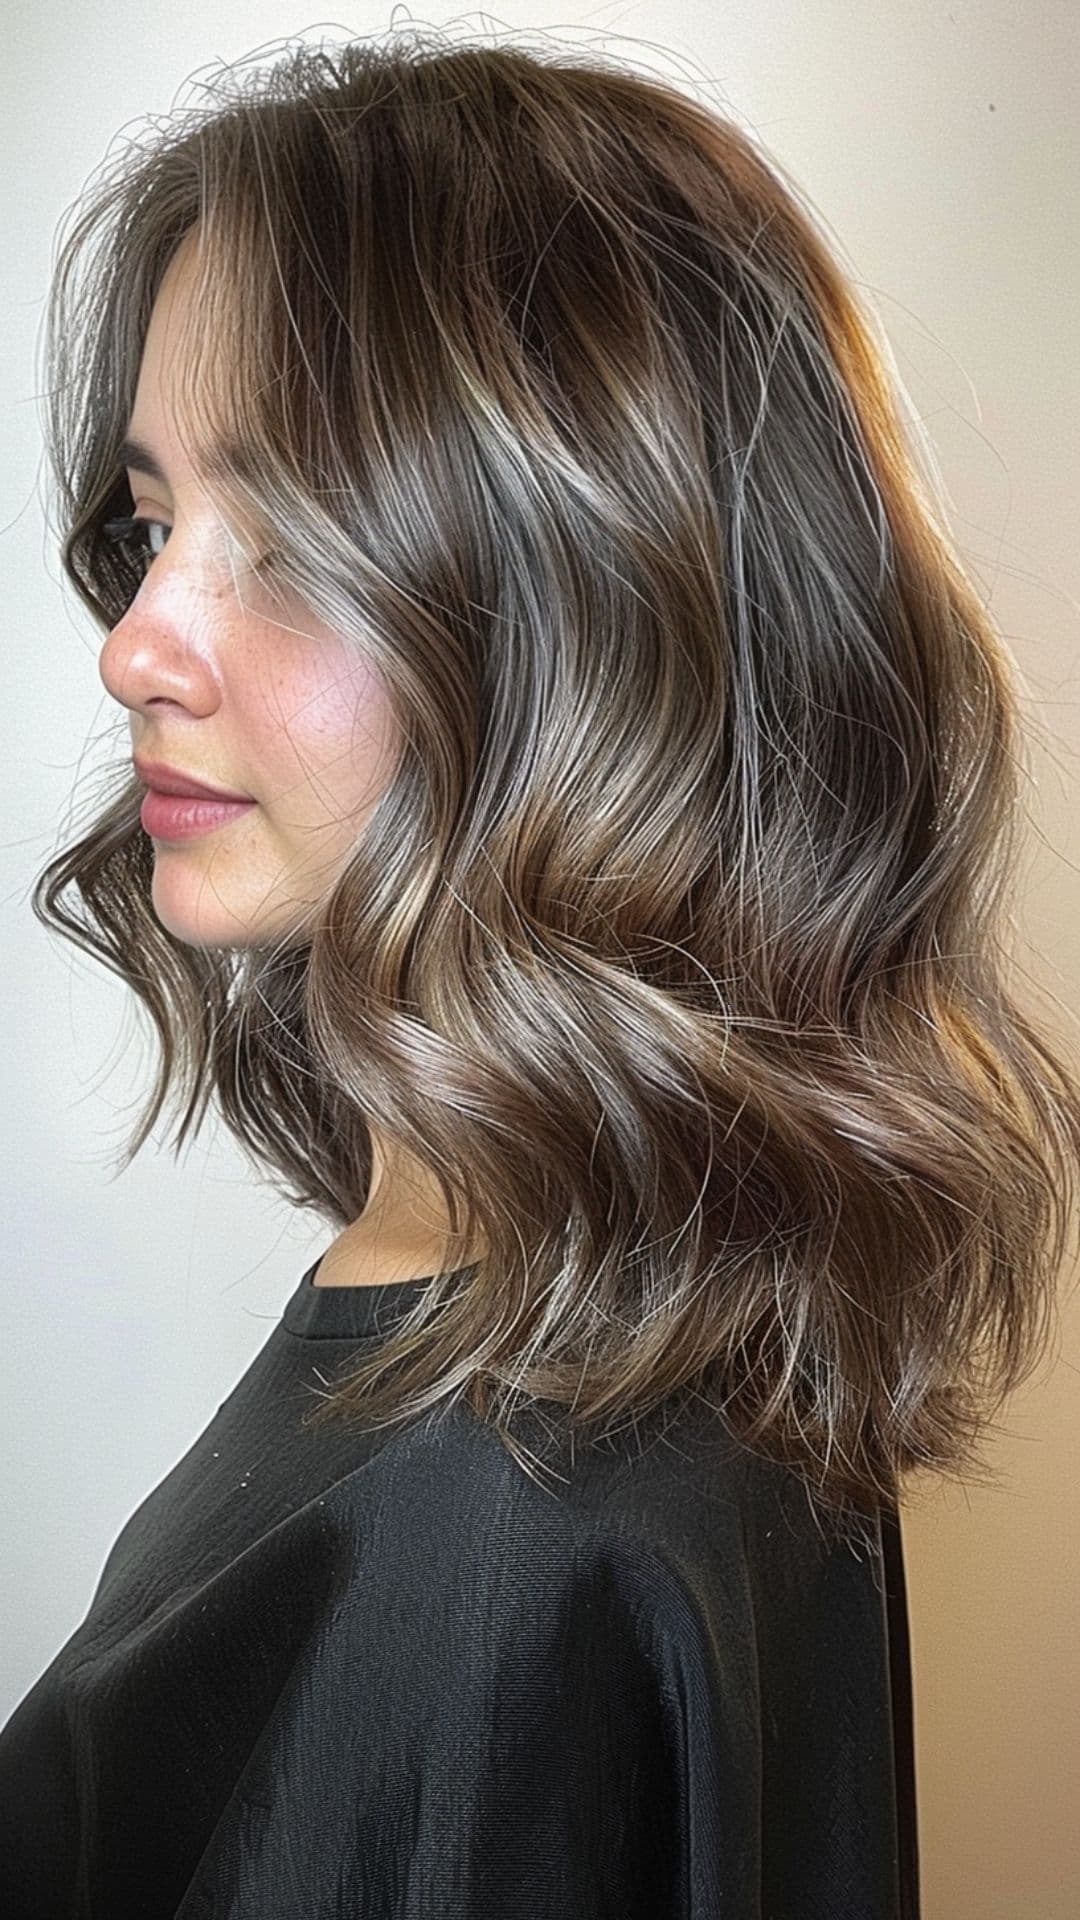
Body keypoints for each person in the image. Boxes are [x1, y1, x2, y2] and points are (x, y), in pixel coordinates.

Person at [3, 27, 1077, 1918]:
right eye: (160, 524)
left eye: (293, 536)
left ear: (598, 616)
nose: (137, 643)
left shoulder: (504, 1547)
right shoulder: (655, 1301)